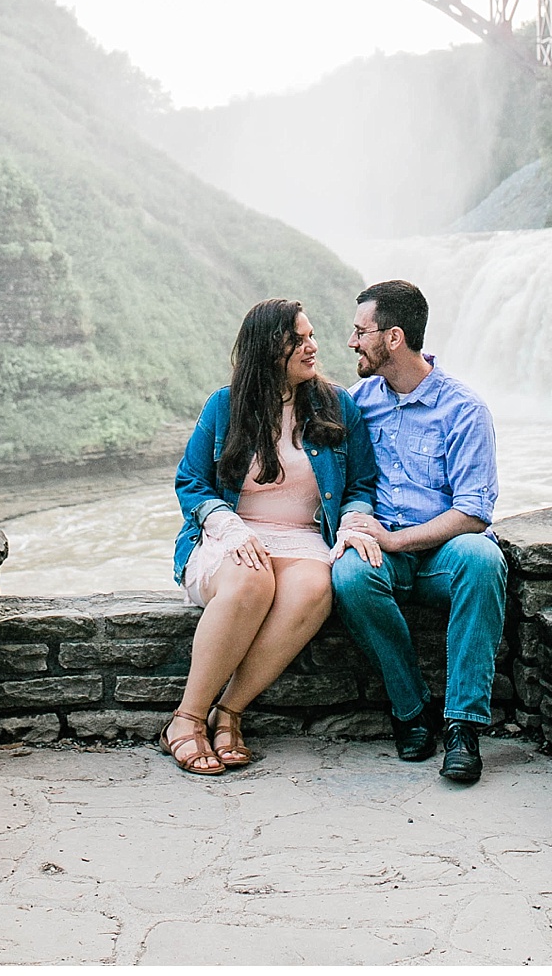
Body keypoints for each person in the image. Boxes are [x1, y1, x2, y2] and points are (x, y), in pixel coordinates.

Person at [166, 297, 381, 775]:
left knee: (315, 588)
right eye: (298, 340)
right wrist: (228, 526)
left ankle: (230, 712)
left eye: (311, 337)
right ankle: (186, 719)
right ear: (269, 349)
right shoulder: (224, 406)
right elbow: (191, 481)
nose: (313, 347)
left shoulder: (337, 404)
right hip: (231, 531)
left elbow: (362, 484)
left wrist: (351, 523)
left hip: (304, 535)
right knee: (251, 582)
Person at [332, 279, 506, 786]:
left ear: (393, 338)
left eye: (360, 331)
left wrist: (396, 540)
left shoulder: (465, 410)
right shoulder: (358, 403)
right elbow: (342, 477)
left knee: (483, 558)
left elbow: (474, 513)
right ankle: (411, 712)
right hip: (384, 555)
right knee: (348, 575)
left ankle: (464, 728)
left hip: (442, 556)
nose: (351, 342)